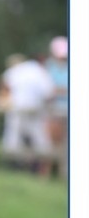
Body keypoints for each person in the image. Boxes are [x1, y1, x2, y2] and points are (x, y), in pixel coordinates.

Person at [0, 52, 55, 176]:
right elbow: (49, 93)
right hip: (35, 108)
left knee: (13, 136)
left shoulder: (15, 70)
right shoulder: (38, 71)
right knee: (39, 137)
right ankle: (40, 169)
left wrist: (4, 100)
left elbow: (4, 86)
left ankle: (12, 167)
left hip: (16, 107)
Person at [44, 36, 68, 177]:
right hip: (53, 110)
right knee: (51, 142)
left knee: (64, 143)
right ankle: (46, 173)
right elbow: (47, 90)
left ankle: (62, 173)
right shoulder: (48, 67)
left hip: (65, 110)